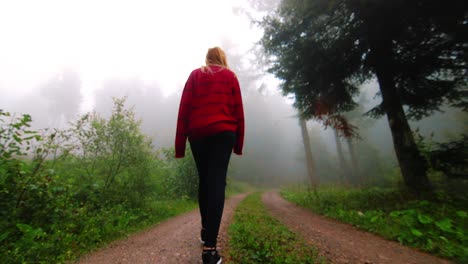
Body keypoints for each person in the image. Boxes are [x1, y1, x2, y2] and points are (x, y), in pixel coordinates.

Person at [175, 47, 245, 264]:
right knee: (216, 182)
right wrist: (238, 144)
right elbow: (238, 111)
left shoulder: (196, 75)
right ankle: (209, 249)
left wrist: (180, 145)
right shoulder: (230, 76)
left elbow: (184, 110)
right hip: (224, 133)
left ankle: (207, 231)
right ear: (223, 59)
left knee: (205, 180)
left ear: (207, 59)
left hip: (199, 134)